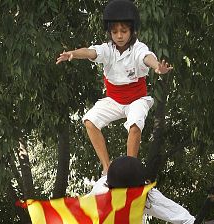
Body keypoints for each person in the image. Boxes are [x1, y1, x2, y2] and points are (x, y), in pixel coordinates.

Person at [56, 0, 172, 172]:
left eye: (124, 31)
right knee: (89, 121)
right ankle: (106, 166)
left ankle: (130, 168)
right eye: (115, 32)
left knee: (135, 125)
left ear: (132, 31)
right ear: (110, 33)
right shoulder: (107, 49)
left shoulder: (138, 48)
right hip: (114, 100)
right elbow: (90, 52)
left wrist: (157, 67)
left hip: (136, 100)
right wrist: (73, 53)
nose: (119, 35)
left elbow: (147, 57)